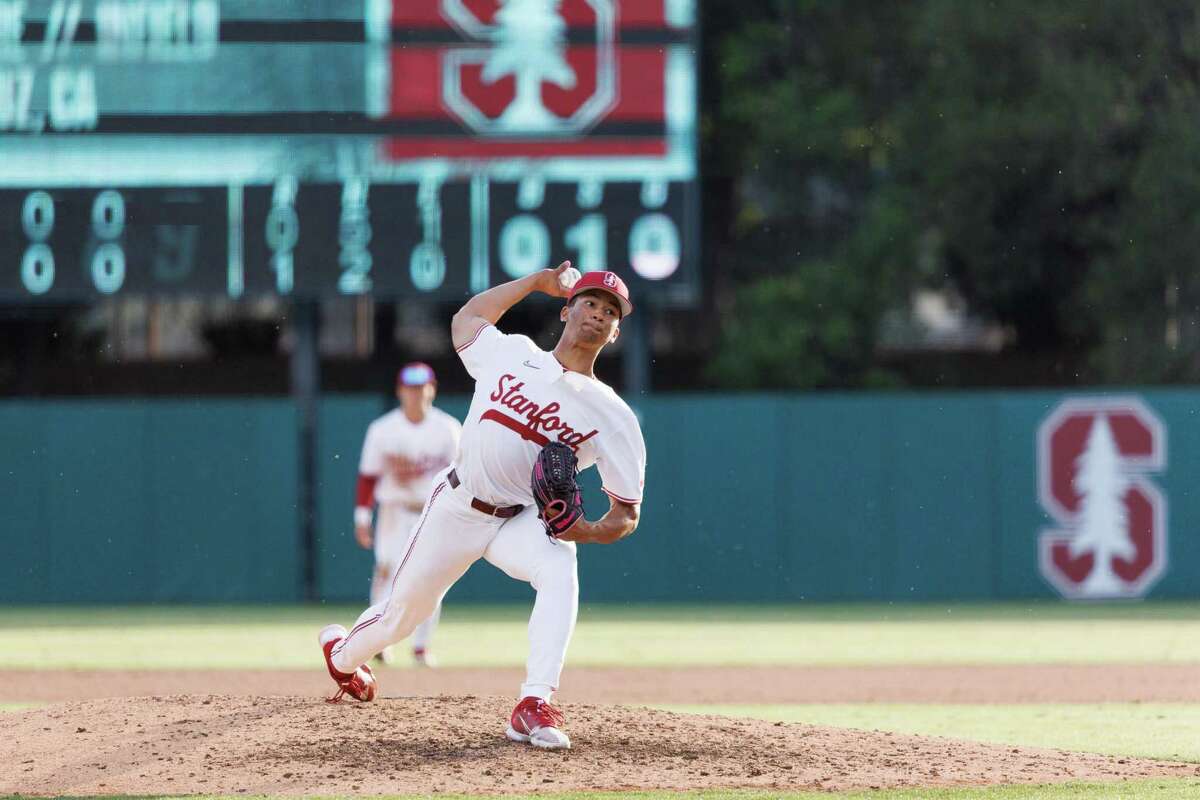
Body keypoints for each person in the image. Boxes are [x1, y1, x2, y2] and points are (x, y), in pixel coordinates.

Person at [318, 261, 646, 750]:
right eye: (590, 303)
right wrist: (536, 281)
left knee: (560, 565)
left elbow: (626, 513)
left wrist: (586, 529)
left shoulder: (614, 416)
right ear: (566, 311)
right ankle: (342, 657)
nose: (598, 314)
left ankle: (534, 703)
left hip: (523, 518)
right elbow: (466, 321)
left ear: (617, 332)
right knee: (401, 618)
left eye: (610, 312)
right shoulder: (513, 353)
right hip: (457, 507)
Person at [353, 362, 462, 667]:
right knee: (386, 573)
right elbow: (368, 477)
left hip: (434, 513)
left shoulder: (449, 429)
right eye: (410, 388)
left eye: (421, 387)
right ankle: (377, 644)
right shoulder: (383, 430)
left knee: (433, 577)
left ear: (432, 389)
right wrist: (362, 518)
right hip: (394, 511)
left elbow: (463, 477)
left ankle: (421, 647)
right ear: (401, 391)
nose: (416, 394)